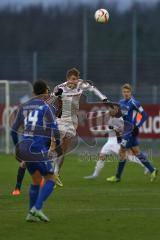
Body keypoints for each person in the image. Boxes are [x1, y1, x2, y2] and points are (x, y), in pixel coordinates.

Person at [11, 80, 62, 222]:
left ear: (33, 92)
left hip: (26, 149)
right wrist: (57, 146)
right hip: (38, 149)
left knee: (36, 180)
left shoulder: (24, 107)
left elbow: (13, 132)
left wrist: (19, 150)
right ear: (46, 92)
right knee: (51, 178)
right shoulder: (47, 107)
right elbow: (55, 130)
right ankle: (37, 209)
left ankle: (30, 214)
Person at [50, 68, 109, 186]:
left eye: (76, 79)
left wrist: (103, 98)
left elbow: (93, 89)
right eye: (73, 79)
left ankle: (56, 173)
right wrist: (55, 95)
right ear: (68, 79)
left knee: (64, 149)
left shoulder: (81, 84)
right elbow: (50, 100)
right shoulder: (60, 87)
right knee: (53, 146)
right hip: (60, 119)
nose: (75, 81)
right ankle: (47, 171)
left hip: (73, 121)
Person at [107, 84, 157, 183]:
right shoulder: (121, 102)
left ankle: (117, 177)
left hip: (130, 132)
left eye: (127, 92)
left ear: (131, 92)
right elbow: (121, 116)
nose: (126, 94)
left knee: (122, 152)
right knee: (137, 152)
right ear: (122, 92)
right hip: (125, 130)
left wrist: (137, 126)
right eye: (124, 92)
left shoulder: (134, 103)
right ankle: (153, 170)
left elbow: (145, 115)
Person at [84, 104, 144, 179]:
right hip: (110, 142)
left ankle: (145, 165)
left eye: (114, 109)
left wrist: (115, 128)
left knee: (126, 157)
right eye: (111, 109)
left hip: (116, 142)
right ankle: (95, 175)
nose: (112, 110)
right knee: (101, 156)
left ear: (117, 111)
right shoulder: (111, 118)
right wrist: (107, 130)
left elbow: (123, 129)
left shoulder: (118, 119)